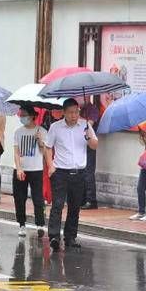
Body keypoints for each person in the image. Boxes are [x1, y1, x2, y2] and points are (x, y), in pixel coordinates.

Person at [44, 98, 98, 252]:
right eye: (71, 112)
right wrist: (51, 166)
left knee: (75, 206)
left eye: (76, 112)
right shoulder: (55, 127)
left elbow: (95, 145)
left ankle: (70, 237)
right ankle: (54, 236)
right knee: (58, 205)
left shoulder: (85, 125)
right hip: (60, 172)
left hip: (79, 172)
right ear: (64, 113)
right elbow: (48, 147)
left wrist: (89, 136)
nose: (74, 115)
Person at [13, 105, 47, 238]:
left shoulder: (42, 131)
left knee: (38, 198)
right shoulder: (18, 131)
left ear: (32, 115)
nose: (22, 118)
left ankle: (40, 224)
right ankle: (21, 224)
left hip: (36, 169)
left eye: (24, 115)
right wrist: (19, 168)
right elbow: (16, 152)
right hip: (20, 169)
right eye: (20, 115)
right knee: (19, 198)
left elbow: (45, 153)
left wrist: (39, 141)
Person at [80, 97, 100, 210]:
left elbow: (89, 125)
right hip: (80, 144)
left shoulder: (93, 109)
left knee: (89, 171)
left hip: (90, 143)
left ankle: (91, 200)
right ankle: (81, 198)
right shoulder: (79, 109)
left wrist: (81, 119)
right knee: (81, 171)